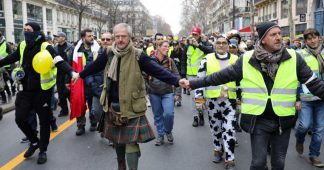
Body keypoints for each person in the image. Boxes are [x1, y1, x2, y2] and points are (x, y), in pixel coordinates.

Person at [179, 21, 324, 170]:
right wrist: (193, 83)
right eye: (273, 34)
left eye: (280, 33)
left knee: (279, 164)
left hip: (283, 121)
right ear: (262, 39)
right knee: (258, 163)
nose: (279, 37)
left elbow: (314, 84)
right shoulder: (247, 58)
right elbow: (220, 76)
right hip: (258, 120)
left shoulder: (294, 57)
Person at [72, 23, 180, 170]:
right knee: (118, 141)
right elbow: (95, 66)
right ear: (114, 37)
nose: (120, 39)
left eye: (124, 36)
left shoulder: (138, 55)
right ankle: (121, 164)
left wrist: (177, 81)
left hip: (132, 106)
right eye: (117, 36)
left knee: (130, 143)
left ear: (129, 37)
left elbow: (158, 71)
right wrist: (79, 75)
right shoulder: (109, 52)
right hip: (112, 105)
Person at [0, 22, 75, 164]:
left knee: (44, 122)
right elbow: (13, 57)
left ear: (36, 32)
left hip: (42, 91)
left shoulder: (45, 46)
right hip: (25, 90)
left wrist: (71, 72)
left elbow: (58, 61)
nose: (25, 32)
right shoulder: (22, 45)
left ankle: (43, 150)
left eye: (28, 30)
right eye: (24, 30)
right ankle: (34, 141)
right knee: (20, 119)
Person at [195, 35, 238, 170]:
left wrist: (241, 99)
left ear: (228, 45)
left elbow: (242, 81)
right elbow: (199, 80)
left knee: (229, 129)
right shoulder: (206, 60)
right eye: (218, 43)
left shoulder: (236, 60)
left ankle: (230, 159)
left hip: (230, 101)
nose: (220, 45)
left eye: (223, 43)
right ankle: (218, 149)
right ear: (215, 45)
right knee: (216, 127)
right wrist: (199, 99)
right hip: (213, 101)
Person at [295, 28, 324, 167]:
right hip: (306, 98)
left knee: (319, 129)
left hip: (322, 98)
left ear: (319, 38)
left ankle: (314, 155)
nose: (313, 41)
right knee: (304, 126)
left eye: (315, 37)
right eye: (309, 39)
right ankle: (299, 139)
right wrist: (297, 99)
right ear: (305, 41)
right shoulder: (299, 54)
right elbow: (295, 78)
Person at [146, 40, 181, 146]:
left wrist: (178, 93)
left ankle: (168, 131)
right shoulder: (149, 61)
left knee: (169, 114)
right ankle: (160, 135)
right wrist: (145, 91)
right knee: (157, 116)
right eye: (165, 46)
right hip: (153, 92)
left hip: (168, 92)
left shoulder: (170, 61)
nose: (167, 48)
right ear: (158, 47)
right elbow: (143, 76)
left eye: (168, 47)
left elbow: (177, 76)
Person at [69, 28, 100, 136]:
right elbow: (69, 66)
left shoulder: (97, 49)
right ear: (83, 38)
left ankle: (93, 122)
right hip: (79, 81)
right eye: (89, 36)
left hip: (93, 81)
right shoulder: (75, 50)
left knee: (93, 104)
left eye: (92, 36)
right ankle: (80, 125)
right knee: (79, 103)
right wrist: (67, 81)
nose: (92, 38)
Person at [182, 26, 213, 127]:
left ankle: (201, 115)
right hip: (190, 75)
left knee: (199, 96)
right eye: (193, 34)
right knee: (192, 97)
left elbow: (211, 52)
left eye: (196, 34)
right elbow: (183, 60)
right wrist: (183, 74)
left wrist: (198, 45)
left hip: (201, 75)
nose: (194, 36)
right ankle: (195, 117)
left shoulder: (204, 44)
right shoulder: (187, 45)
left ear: (199, 35)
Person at [54, 32, 73, 117]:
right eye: (56, 37)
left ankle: (74, 109)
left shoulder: (71, 47)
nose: (56, 38)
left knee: (69, 93)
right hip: (59, 73)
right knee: (61, 93)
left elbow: (72, 61)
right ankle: (64, 110)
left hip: (68, 73)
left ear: (64, 38)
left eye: (58, 36)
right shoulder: (55, 48)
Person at [169, 40, 183, 106]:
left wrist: (183, 72)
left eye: (176, 45)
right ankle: (174, 98)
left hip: (180, 71)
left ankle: (179, 99)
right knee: (174, 85)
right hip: (173, 71)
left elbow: (183, 62)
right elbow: (170, 62)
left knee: (179, 85)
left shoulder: (182, 52)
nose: (174, 47)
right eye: (173, 46)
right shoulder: (172, 52)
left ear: (178, 45)